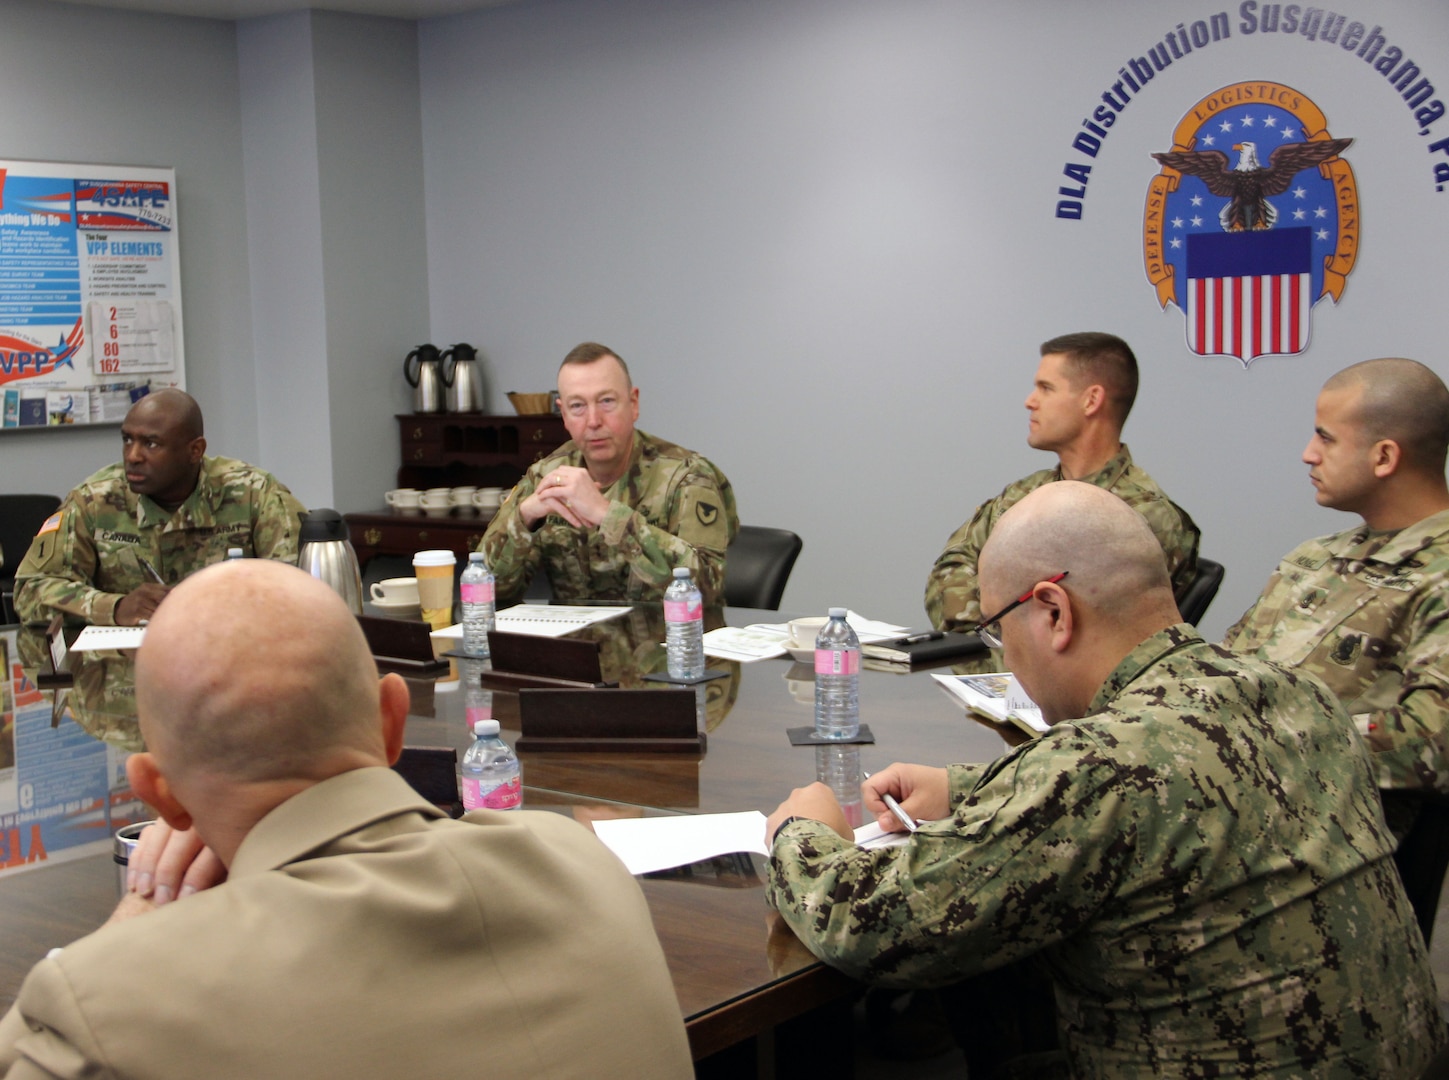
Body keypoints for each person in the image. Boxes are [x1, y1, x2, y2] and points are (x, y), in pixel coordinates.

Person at [767, 482, 1441, 1077]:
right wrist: (970, 788)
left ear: (1053, 612)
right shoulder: (1297, 697)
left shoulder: (1100, 767)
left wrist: (806, 831)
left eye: (1000, 632)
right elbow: (1188, 782)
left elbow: (869, 927)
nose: (1008, 658)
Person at [0, 559, 693, 1079]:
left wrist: (130, 927)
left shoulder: (111, 1003)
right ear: (393, 721)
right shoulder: (581, 861)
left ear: (161, 796)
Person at [1224, 357, 1449, 839]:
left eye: (1325, 437)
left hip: (1326, 839)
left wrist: (1261, 738)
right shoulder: (1315, 557)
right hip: (1240, 801)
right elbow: (1227, 668)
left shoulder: (1440, 576)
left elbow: (1433, 739)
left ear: (1384, 457)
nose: (1309, 453)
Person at [924, 332, 1199, 632]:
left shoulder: (1143, 514)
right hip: (995, 672)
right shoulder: (1024, 494)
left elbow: (1091, 630)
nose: (1030, 402)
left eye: (1046, 388)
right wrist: (988, 654)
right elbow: (951, 568)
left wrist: (1003, 653)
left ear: (1091, 400)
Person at [13, 389, 305, 626]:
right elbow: (30, 592)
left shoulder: (255, 495)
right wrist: (115, 608)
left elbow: (303, 592)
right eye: (128, 440)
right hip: (124, 678)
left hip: (232, 663)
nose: (133, 456)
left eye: (151, 444)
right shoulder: (94, 500)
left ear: (195, 450)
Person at [480, 343, 738, 604]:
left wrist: (607, 515)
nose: (593, 420)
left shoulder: (686, 477)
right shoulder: (545, 477)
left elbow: (708, 589)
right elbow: (483, 593)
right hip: (572, 643)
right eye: (578, 406)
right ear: (564, 416)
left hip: (666, 642)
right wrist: (524, 518)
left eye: (606, 401)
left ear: (633, 403)